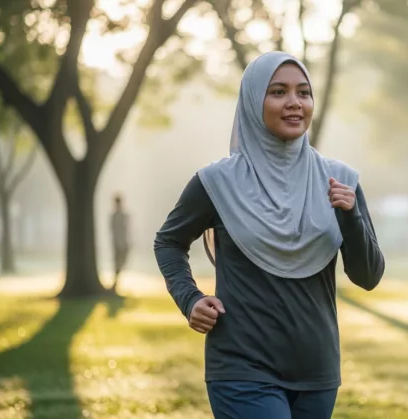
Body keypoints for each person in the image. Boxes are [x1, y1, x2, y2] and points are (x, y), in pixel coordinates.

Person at [153, 51, 385, 419]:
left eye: (303, 92)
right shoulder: (216, 182)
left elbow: (368, 276)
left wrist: (350, 216)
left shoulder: (341, 181)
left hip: (318, 372)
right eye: (277, 92)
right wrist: (189, 298)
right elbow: (168, 241)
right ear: (252, 101)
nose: (294, 103)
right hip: (242, 367)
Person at [110, 194, 130, 291]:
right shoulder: (115, 216)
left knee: (121, 262)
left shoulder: (124, 216)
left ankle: (116, 282)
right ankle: (115, 283)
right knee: (118, 263)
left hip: (123, 242)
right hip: (117, 243)